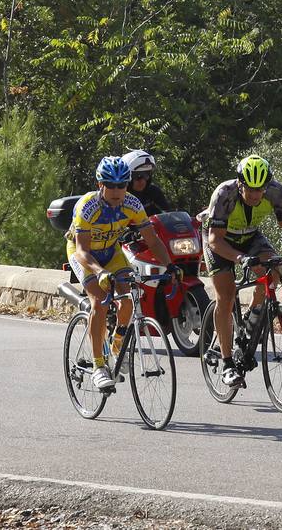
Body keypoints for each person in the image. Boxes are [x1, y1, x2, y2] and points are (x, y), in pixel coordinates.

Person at [67, 156, 176, 391]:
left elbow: (153, 241)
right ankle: (98, 367)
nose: (117, 191)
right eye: (111, 185)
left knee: (128, 300)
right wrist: (101, 272)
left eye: (122, 185)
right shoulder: (88, 206)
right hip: (85, 255)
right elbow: (82, 250)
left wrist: (170, 265)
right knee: (100, 301)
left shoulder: (132, 205)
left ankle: (117, 347)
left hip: (111, 252)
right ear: (100, 185)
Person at [202, 154, 282, 388]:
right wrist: (240, 259)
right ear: (240, 184)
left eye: (260, 190)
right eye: (250, 190)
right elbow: (215, 241)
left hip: (249, 237)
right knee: (226, 296)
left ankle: (250, 321)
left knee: (273, 271)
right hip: (219, 242)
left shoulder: (276, 192)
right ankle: (228, 364)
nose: (256, 195)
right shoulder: (224, 194)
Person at [121, 149, 172, 216]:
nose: (142, 181)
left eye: (146, 174)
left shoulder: (154, 192)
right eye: (137, 176)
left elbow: (168, 216)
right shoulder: (118, 197)